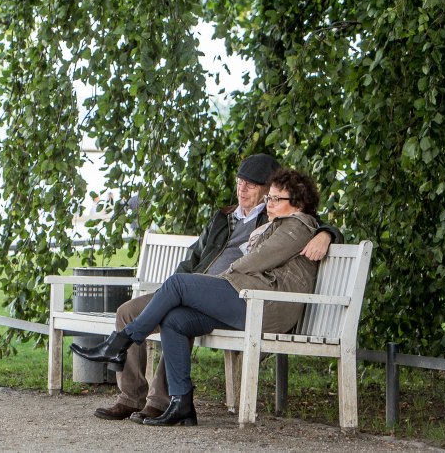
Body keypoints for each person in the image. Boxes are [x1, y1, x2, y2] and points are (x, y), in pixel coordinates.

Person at [85, 155, 341, 423]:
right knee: (165, 315)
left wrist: (328, 233)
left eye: (253, 186)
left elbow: (309, 222)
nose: (243, 189)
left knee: (177, 288)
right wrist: (182, 290)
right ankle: (176, 403)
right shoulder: (225, 217)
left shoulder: (285, 220)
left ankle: (123, 348)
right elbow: (193, 258)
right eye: (240, 182)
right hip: (214, 291)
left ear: (269, 188)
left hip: (241, 295)